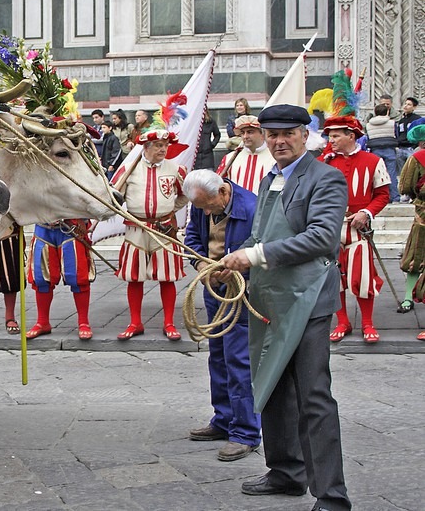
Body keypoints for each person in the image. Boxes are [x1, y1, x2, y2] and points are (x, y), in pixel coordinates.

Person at [221, 104, 351, 511]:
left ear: (304, 135)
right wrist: (229, 260)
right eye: (272, 134)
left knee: (314, 396)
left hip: (309, 299)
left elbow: (322, 239)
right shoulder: (269, 179)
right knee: (273, 386)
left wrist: (254, 256)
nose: (279, 141)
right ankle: (285, 472)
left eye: (287, 133)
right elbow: (259, 235)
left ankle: (331, 496)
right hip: (272, 298)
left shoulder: (326, 178)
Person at [183, 169, 260, 462]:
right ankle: (224, 419)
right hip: (214, 286)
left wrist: (240, 268)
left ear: (224, 193)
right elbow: (192, 236)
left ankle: (246, 432)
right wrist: (201, 266)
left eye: (207, 206)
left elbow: (261, 248)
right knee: (217, 354)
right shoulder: (202, 201)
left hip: (241, 291)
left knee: (238, 359)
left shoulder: (250, 208)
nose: (203, 211)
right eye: (199, 207)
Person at [113, 130, 188, 341]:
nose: (163, 149)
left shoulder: (175, 169)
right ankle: (135, 322)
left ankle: (169, 323)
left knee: (168, 276)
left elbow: (185, 194)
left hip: (164, 228)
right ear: (145, 148)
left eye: (165, 145)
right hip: (136, 228)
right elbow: (114, 197)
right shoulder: (128, 170)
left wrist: (170, 210)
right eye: (157, 145)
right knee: (134, 276)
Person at [321, 115, 390, 344]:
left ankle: (368, 323)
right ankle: (342, 322)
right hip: (330, 229)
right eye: (330, 135)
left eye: (336, 135)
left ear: (351, 136)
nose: (331, 139)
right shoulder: (324, 162)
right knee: (334, 277)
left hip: (358, 229)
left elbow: (382, 195)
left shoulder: (373, 161)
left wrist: (366, 213)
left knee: (362, 277)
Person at [24, 219, 95, 341]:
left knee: (77, 276)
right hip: (43, 226)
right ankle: (42, 322)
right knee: (41, 277)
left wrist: (83, 219)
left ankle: (83, 322)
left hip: (71, 225)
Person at [397, 124, 425, 321]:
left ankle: (408, 298)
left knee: (415, 255)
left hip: (422, 214)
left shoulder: (417, 158)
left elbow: (405, 186)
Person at [215, 115, 275, 195]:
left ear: (262, 134)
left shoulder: (275, 158)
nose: (245, 136)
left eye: (250, 132)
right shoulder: (229, 158)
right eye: (242, 133)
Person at [365, 103, 399, 202]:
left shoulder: (368, 125)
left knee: (377, 175)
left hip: (375, 150)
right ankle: (394, 197)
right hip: (389, 149)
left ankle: (377, 197)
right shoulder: (392, 123)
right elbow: (396, 135)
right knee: (391, 173)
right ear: (387, 112)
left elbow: (367, 137)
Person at [396, 97, 422, 190]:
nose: (406, 106)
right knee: (402, 172)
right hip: (401, 148)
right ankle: (403, 190)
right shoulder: (401, 121)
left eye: (409, 104)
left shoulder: (417, 120)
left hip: (411, 148)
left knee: (412, 171)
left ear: (414, 107)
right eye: (405, 104)